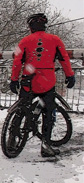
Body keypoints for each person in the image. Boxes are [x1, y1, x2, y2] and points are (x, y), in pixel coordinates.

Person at [10, 13, 76, 157]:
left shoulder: (24, 41)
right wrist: (70, 75)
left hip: (29, 80)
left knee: (21, 108)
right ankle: (45, 144)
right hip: (47, 81)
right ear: (44, 25)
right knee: (48, 113)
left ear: (30, 27)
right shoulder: (55, 40)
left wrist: (14, 79)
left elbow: (16, 61)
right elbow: (64, 58)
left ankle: (12, 139)